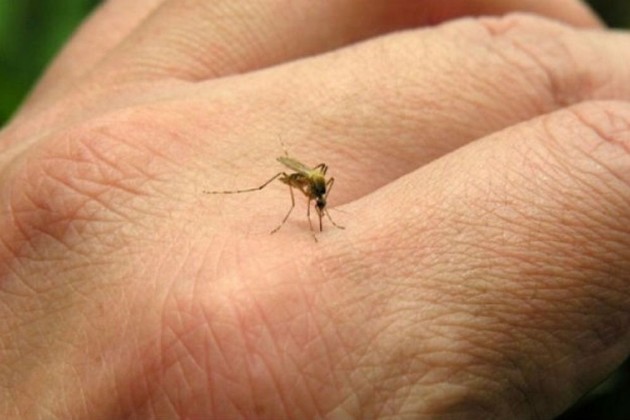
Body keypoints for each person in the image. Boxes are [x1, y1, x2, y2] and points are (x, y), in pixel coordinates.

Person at [0, 0, 628, 417]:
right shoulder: (300, 182)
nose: (317, 197)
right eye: (317, 195)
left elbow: (321, 184)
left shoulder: (321, 186)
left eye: (317, 195)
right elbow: (299, 176)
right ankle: (269, 204)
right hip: (290, 172)